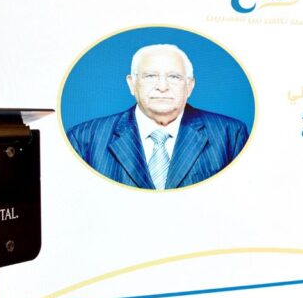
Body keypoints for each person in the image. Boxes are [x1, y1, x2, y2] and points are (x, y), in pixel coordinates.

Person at [67, 43, 248, 189]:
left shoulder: (230, 135)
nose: (162, 87)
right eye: (150, 76)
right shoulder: (85, 138)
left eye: (174, 77)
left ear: (190, 86)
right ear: (132, 84)